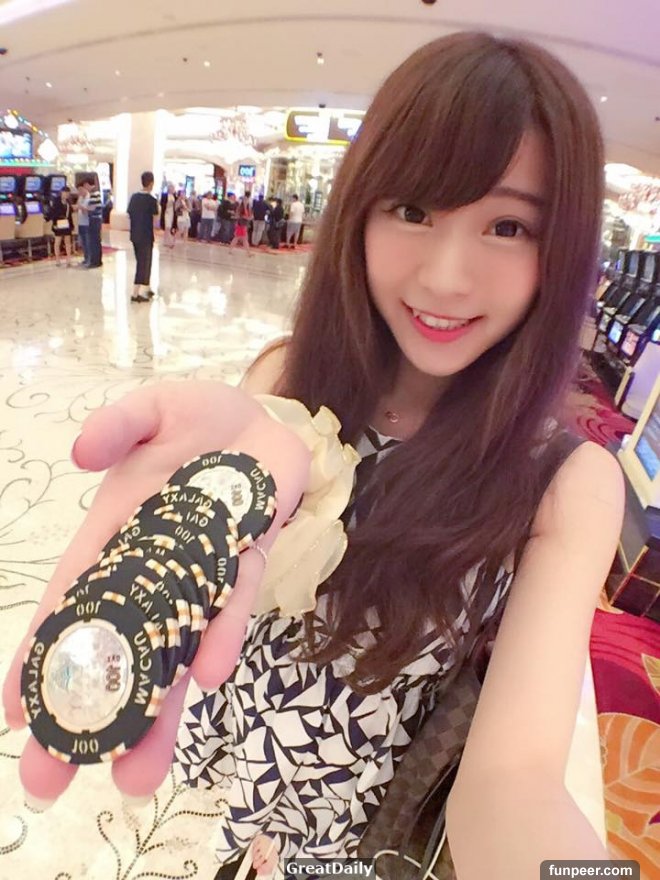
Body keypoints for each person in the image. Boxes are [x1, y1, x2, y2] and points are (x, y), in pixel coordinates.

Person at [3, 33, 624, 880]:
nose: (446, 277)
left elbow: (515, 783)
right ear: (359, 211)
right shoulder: (285, 377)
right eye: (413, 211)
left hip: (351, 828)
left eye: (508, 227)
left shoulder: (564, 484)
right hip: (240, 771)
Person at [126, 171, 159, 303]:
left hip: (135, 234)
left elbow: (129, 214)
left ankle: (147, 287)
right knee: (143, 263)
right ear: (151, 183)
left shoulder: (134, 197)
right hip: (146, 235)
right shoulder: (152, 200)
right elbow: (156, 219)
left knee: (142, 261)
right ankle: (135, 293)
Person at [50, 186, 73, 267]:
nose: (66, 195)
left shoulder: (68, 203)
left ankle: (68, 259)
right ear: (61, 193)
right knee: (58, 242)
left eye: (68, 193)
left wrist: (71, 225)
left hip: (67, 223)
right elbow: (53, 214)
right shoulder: (56, 202)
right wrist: (54, 224)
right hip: (58, 223)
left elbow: (70, 215)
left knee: (68, 242)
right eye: (65, 193)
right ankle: (57, 259)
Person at [83, 175, 103, 268]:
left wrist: (84, 208)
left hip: (94, 220)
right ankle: (97, 260)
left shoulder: (94, 194)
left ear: (88, 184)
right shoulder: (95, 193)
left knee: (94, 241)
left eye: (85, 186)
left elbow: (93, 207)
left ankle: (95, 261)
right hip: (96, 219)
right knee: (96, 241)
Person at [74, 182, 90, 267]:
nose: (80, 192)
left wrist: (81, 207)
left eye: (81, 189)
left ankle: (89, 259)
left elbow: (88, 211)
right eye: (78, 190)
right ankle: (85, 258)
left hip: (87, 223)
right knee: (83, 243)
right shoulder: (80, 197)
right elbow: (76, 207)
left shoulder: (89, 198)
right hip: (80, 223)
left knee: (88, 242)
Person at [161, 183, 177, 249]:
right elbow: (162, 204)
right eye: (172, 188)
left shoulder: (174, 196)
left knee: (169, 227)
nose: (173, 189)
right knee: (167, 227)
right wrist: (168, 204)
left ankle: (165, 241)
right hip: (166, 213)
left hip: (172, 213)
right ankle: (170, 242)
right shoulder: (164, 195)